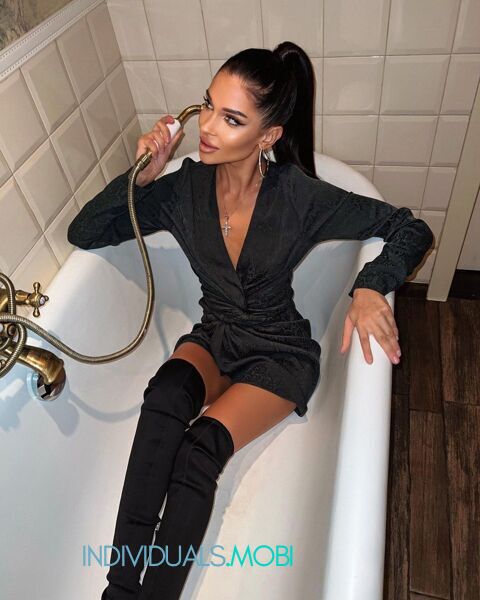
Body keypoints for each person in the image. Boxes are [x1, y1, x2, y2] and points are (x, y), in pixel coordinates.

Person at [67, 41, 434, 599]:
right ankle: (119, 588)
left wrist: (368, 285)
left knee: (199, 451)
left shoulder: (298, 197)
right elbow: (86, 232)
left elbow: (410, 227)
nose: (207, 127)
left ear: (269, 136)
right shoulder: (183, 187)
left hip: (277, 355)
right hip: (215, 334)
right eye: (208, 105)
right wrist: (139, 177)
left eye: (231, 119)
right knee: (163, 399)